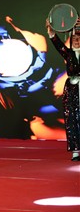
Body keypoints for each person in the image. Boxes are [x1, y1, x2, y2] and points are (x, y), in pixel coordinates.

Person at [46, 18, 80, 161]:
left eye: (79, 39)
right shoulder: (68, 54)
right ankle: (76, 150)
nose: (76, 41)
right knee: (72, 117)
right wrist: (52, 33)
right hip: (72, 89)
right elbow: (58, 45)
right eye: (74, 39)